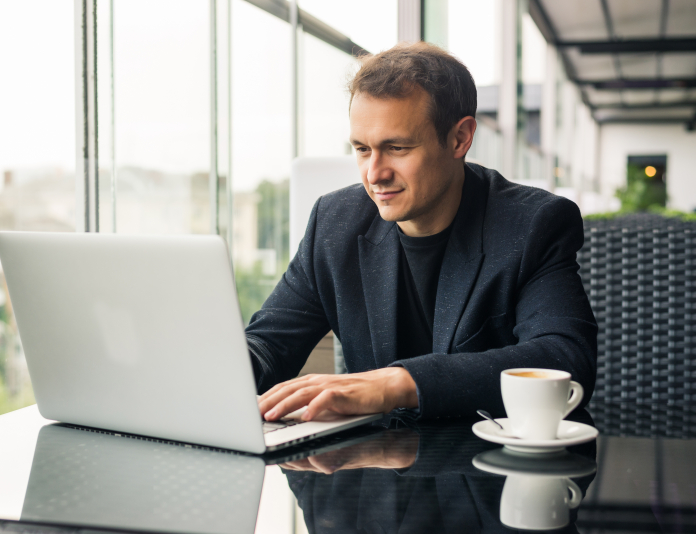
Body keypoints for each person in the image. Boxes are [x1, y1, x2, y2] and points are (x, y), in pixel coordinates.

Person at [249, 41, 597, 423]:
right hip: (373, 469)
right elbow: (268, 345)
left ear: (459, 138)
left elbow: (563, 359)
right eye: (362, 149)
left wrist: (399, 384)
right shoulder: (334, 223)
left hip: (489, 470)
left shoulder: (532, 224)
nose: (374, 174)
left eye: (397, 148)